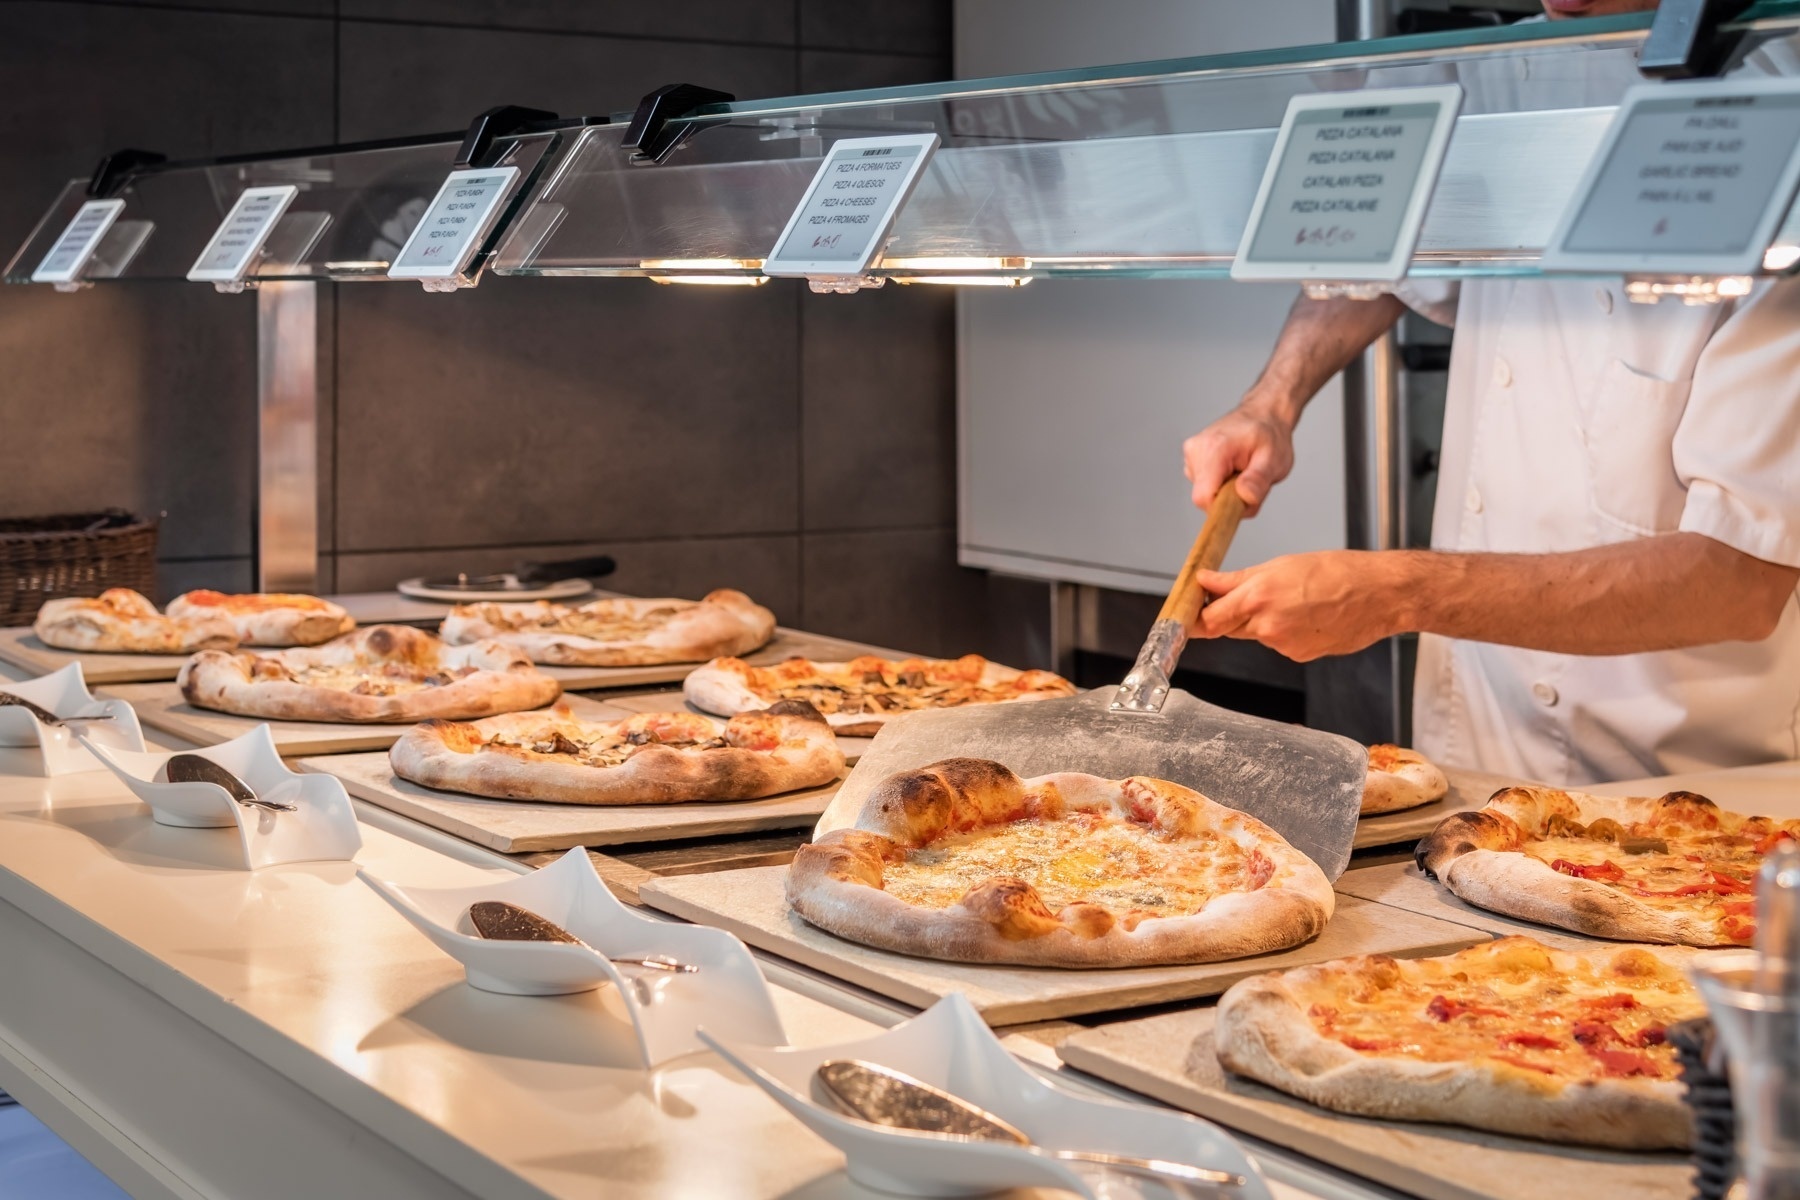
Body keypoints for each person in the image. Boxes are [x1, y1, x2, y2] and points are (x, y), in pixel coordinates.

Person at [1180, 1, 1800, 786]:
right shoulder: (1488, 68)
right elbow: (1381, 261)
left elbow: (1738, 584)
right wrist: (1273, 399)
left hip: (1684, 784)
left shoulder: (1781, 104)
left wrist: (1396, 593)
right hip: (1469, 744)